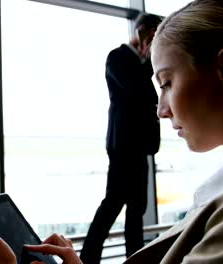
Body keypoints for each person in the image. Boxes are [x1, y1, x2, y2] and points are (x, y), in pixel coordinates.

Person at [0, 0, 223, 263]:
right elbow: (138, 95)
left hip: (137, 147)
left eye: (166, 83)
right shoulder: (118, 58)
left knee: (132, 209)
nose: (162, 109)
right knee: (117, 203)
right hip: (125, 147)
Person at [80, 12, 162, 263]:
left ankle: (134, 259)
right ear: (141, 32)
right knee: (112, 204)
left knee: (137, 210)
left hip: (142, 146)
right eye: (153, 35)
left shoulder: (141, 65)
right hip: (123, 145)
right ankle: (87, 259)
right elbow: (136, 89)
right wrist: (149, 56)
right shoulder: (117, 58)